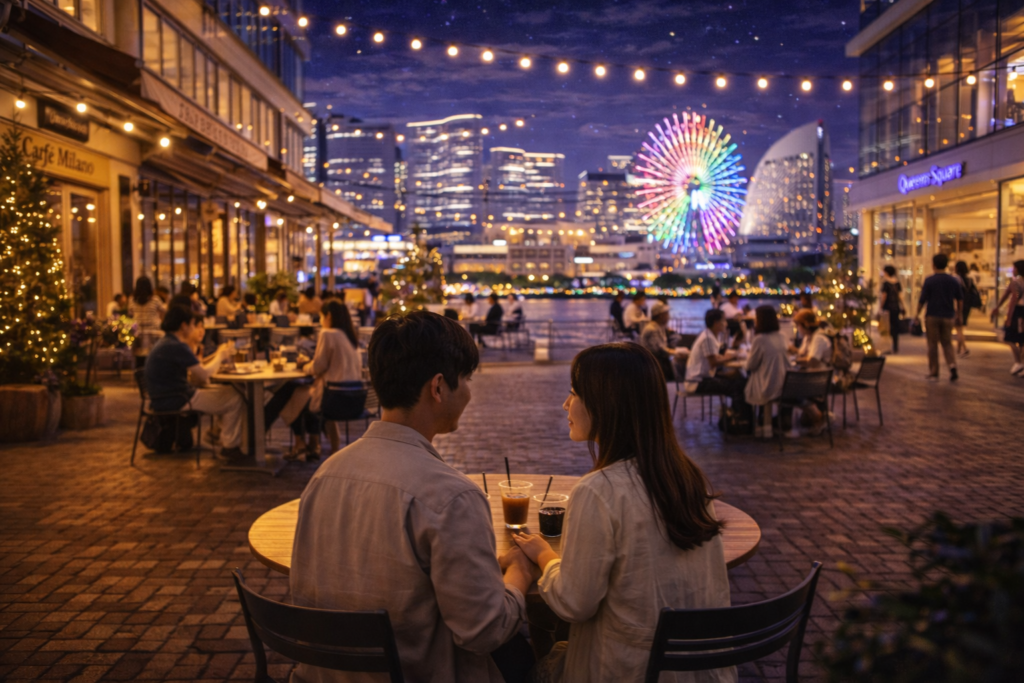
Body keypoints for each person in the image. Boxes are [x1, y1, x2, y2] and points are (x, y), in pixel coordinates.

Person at [289, 311, 537, 682]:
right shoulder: (452, 497)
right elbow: (484, 631)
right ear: (438, 388)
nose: (469, 390)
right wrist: (519, 574)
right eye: (466, 379)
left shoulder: (325, 474)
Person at [512, 343, 733, 683]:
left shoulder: (599, 491)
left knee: (508, 659)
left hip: (626, 672)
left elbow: (574, 604)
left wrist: (544, 556)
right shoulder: (689, 478)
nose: (565, 404)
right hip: (700, 672)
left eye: (573, 393)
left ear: (606, 404)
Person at [144, 305, 247, 461]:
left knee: (226, 393)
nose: (194, 328)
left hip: (164, 397)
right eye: (193, 324)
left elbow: (198, 372)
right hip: (176, 399)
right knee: (235, 397)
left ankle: (220, 434)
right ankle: (230, 446)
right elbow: (203, 375)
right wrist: (220, 355)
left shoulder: (167, 343)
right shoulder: (176, 346)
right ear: (184, 326)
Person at [264, 300, 364, 459]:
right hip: (355, 399)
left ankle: (295, 442)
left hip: (332, 398)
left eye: (321, 316)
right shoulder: (351, 338)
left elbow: (318, 367)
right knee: (294, 392)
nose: (320, 321)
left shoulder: (328, 333)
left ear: (328, 316)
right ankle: (309, 444)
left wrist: (303, 366)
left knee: (287, 394)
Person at [914, 253, 963, 382]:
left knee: (932, 344)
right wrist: (959, 314)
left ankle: (934, 371)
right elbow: (960, 299)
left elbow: (922, 299)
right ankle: (952, 366)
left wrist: (916, 314)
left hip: (932, 315)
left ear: (933, 265)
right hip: (948, 315)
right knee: (947, 343)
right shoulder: (953, 280)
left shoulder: (929, 280)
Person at [744, 305, 791, 439]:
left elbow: (751, 366)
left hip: (767, 386)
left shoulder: (760, 339)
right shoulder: (782, 336)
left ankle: (757, 425)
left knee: (741, 382)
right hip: (783, 384)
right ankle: (764, 425)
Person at [684, 309, 742, 401]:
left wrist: (731, 355)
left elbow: (716, 356)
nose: (726, 324)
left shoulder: (710, 335)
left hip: (704, 378)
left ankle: (734, 412)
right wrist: (734, 356)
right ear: (716, 323)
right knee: (735, 386)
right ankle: (738, 414)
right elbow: (714, 362)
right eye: (724, 320)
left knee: (737, 378)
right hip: (698, 382)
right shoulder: (707, 338)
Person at [791, 309, 832, 433]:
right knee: (787, 384)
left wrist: (794, 361)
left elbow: (811, 360)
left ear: (805, 325)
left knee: (789, 388)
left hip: (820, 378)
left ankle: (820, 417)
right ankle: (815, 415)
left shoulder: (818, 338)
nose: (798, 329)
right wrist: (789, 349)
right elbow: (801, 354)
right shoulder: (808, 337)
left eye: (798, 325)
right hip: (811, 376)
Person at [639, 301, 690, 381]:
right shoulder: (652, 328)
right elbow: (660, 350)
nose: (668, 316)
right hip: (653, 361)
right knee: (682, 356)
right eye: (666, 313)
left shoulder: (658, 326)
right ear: (661, 316)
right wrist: (677, 352)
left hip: (657, 359)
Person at [990, 259, 1024, 376]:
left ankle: (1019, 362)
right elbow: (1005, 296)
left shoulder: (1016, 283)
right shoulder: (1015, 282)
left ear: (1018, 269)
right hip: (1020, 312)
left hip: (1019, 313)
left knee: (1009, 338)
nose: (1012, 270)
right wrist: (998, 307)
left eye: (1014, 268)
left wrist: (1008, 318)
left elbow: (1013, 299)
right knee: (1021, 339)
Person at [128, 276, 165, 369]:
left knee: (139, 361)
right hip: (154, 333)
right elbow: (164, 311)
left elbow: (130, 313)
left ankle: (140, 380)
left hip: (138, 334)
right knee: (154, 360)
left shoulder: (132, 300)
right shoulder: (155, 300)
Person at [954, 261, 979, 357]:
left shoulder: (956, 279)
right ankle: (959, 349)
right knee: (961, 327)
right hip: (967, 305)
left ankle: (964, 348)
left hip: (958, 305)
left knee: (958, 328)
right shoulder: (969, 279)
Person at [878, 266, 904, 355]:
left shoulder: (886, 283)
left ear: (887, 272)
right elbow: (900, 296)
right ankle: (895, 346)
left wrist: (880, 307)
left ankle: (887, 347)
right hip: (896, 308)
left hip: (887, 309)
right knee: (895, 327)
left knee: (886, 328)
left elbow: (884, 296)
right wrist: (903, 306)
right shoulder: (897, 283)